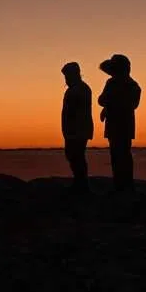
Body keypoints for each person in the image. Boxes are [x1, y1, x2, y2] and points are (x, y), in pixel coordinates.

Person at [98, 53, 141, 191]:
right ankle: (124, 183)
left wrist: (109, 106)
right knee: (123, 154)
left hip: (118, 124)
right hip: (124, 125)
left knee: (118, 154)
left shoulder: (113, 83)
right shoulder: (133, 85)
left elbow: (102, 100)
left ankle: (121, 184)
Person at [61, 61, 93, 193]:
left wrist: (70, 129)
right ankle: (80, 183)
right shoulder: (78, 89)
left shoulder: (80, 89)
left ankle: (82, 184)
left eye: (67, 76)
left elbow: (74, 112)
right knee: (74, 155)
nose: (66, 79)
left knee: (76, 156)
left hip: (78, 130)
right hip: (75, 129)